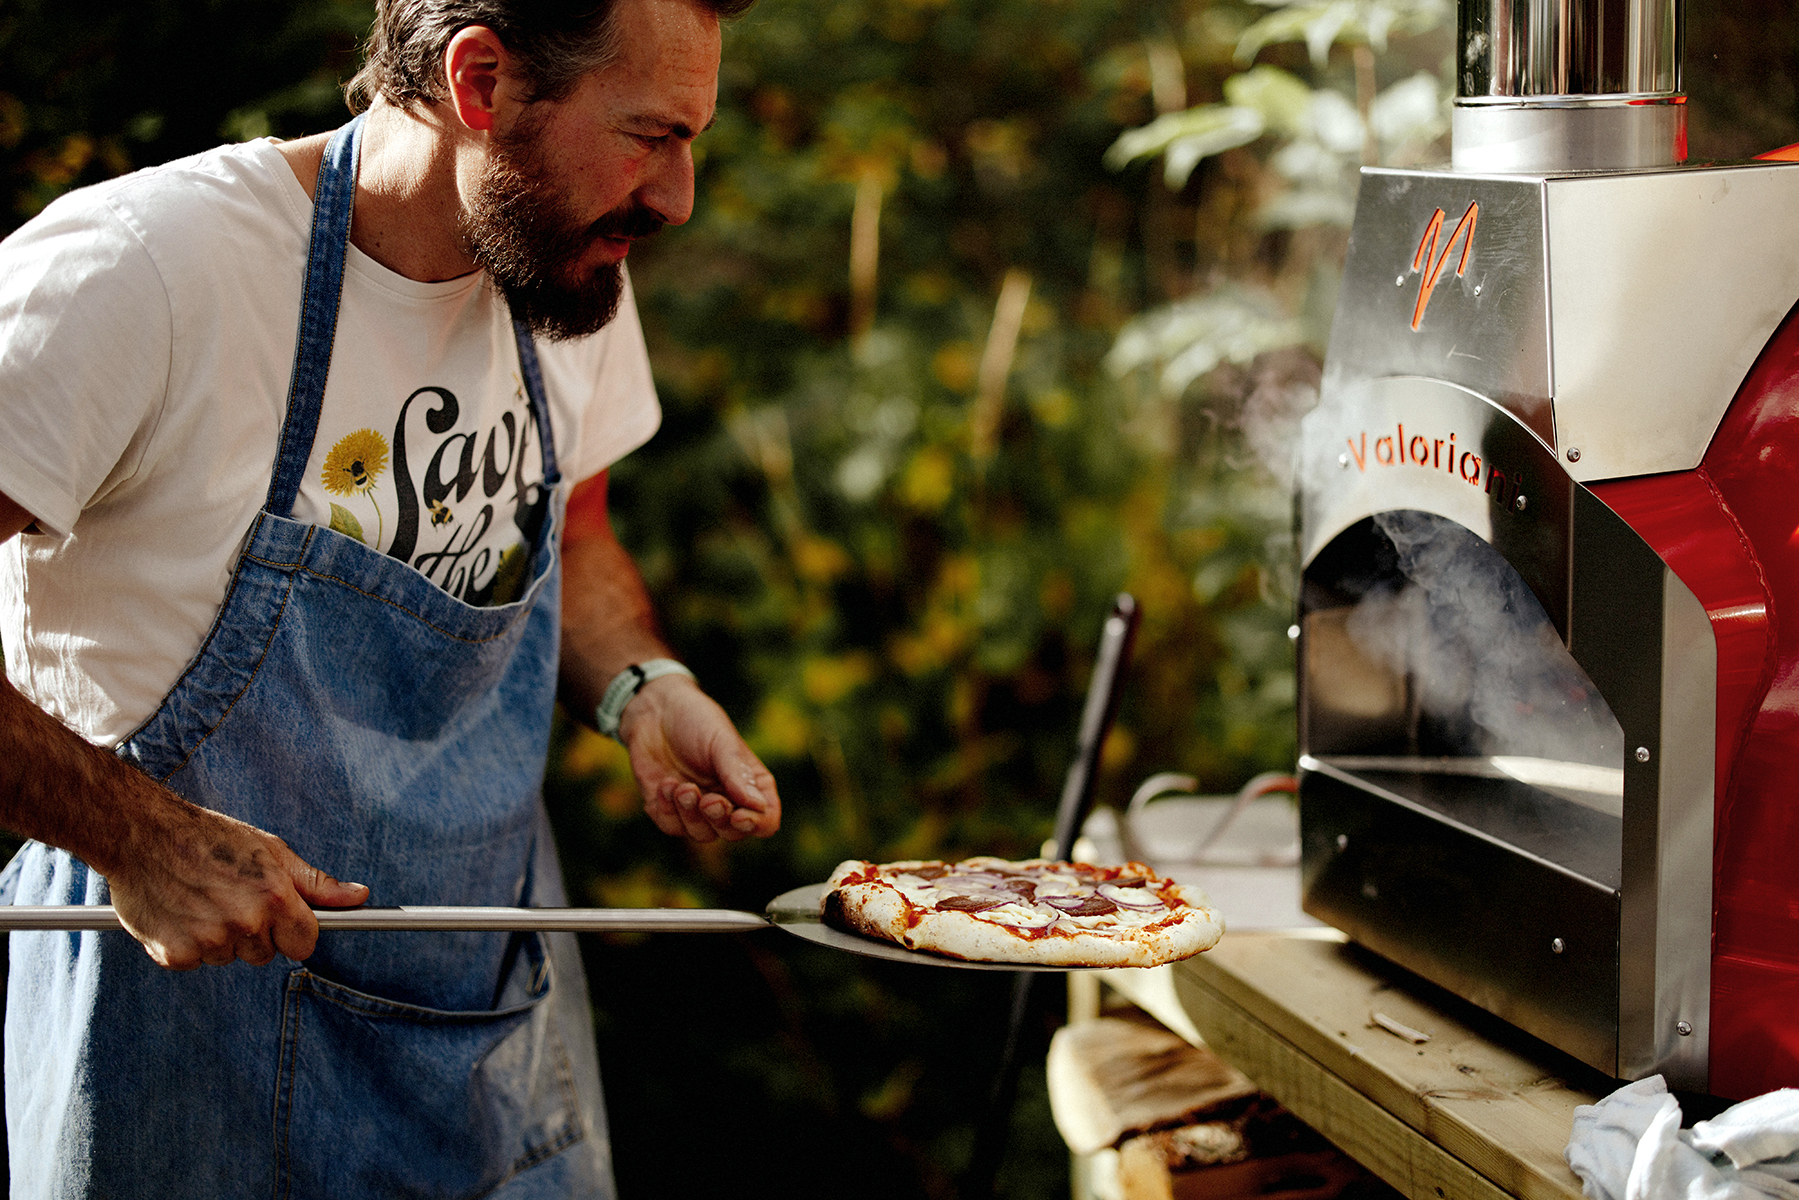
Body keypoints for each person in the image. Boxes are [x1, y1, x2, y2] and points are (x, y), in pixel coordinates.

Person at [0, 0, 777, 1193]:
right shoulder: (141, 272)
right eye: (649, 135)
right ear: (479, 82)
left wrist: (641, 686)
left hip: (481, 1040)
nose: (676, 196)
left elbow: (567, 524)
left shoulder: (568, 267)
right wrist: (135, 836)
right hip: (180, 1041)